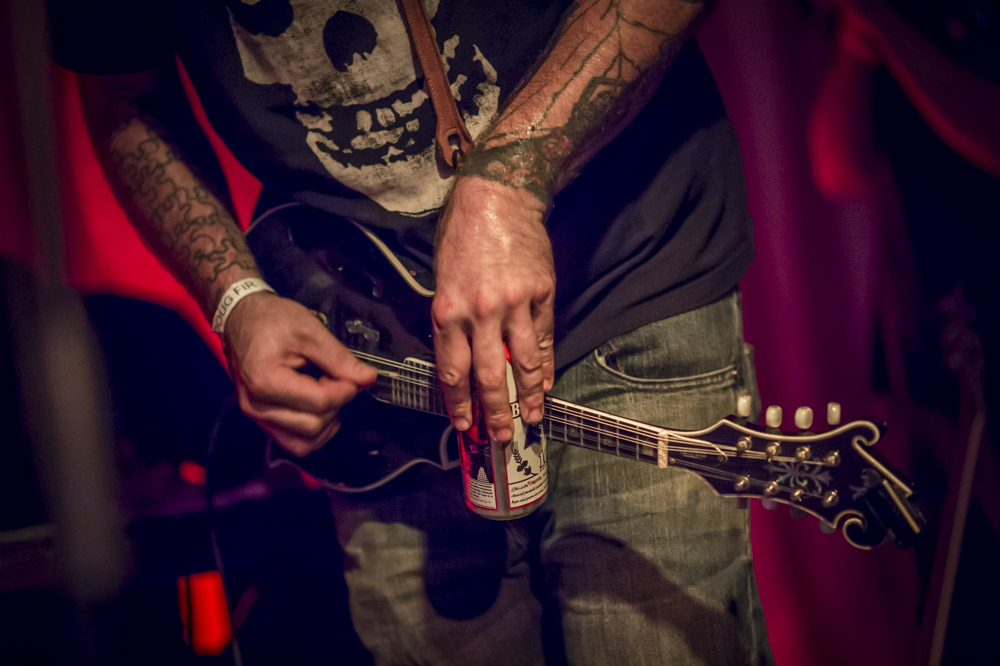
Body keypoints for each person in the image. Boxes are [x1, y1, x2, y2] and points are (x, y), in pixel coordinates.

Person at [49, 0, 773, 663]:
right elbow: (122, 94)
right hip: (372, 372)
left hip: (626, 278)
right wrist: (235, 297)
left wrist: (513, 181)